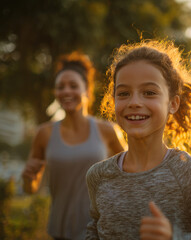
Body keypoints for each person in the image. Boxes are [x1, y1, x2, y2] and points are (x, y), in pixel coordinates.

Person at [85, 40, 191, 240]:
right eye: (124, 93)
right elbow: (93, 232)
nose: (134, 102)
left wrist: (174, 237)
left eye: (149, 93)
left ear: (173, 103)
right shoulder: (98, 176)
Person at [22, 52, 123, 240]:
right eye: (60, 87)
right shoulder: (44, 133)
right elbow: (31, 189)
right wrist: (29, 178)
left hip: (101, 231)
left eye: (73, 86)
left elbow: (130, 177)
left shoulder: (107, 130)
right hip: (59, 232)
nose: (66, 91)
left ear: (87, 90)